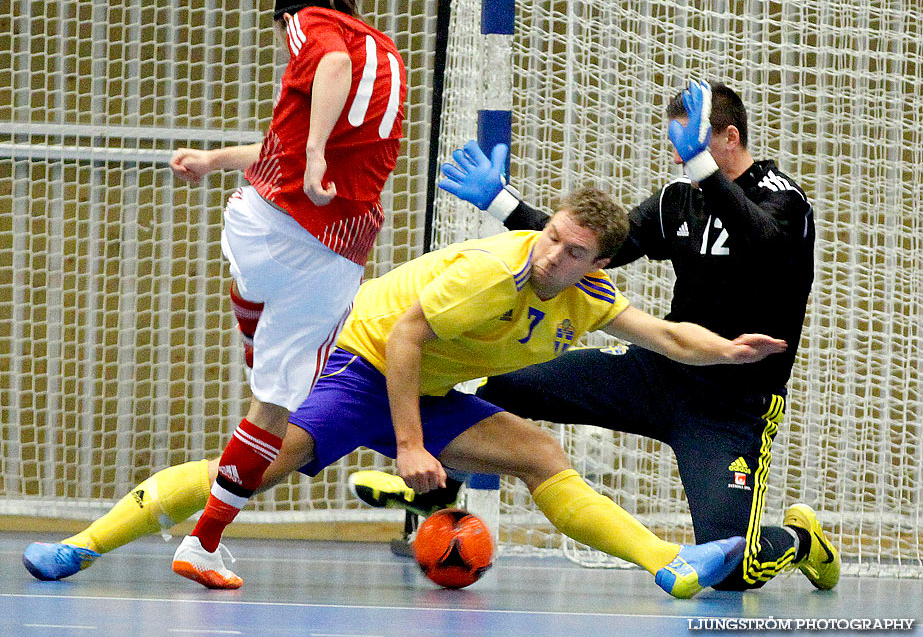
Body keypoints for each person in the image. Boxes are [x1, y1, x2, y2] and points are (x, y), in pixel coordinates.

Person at [23, 184, 788, 599]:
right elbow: (403, 339)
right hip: (362, 361)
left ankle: (669, 564)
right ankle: (79, 547)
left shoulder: (584, 296)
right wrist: (413, 446)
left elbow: (669, 336)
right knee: (257, 467)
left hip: (426, 386)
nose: (552, 252)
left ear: (599, 262)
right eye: (552, 235)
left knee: (540, 454)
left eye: (572, 249)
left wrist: (728, 349)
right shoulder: (496, 273)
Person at [351, 81, 840, 593]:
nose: (679, 158)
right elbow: (592, 249)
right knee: (504, 385)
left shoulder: (783, 200)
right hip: (652, 375)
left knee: (735, 571)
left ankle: (804, 541)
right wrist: (502, 203)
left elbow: (759, 243)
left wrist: (704, 169)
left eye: (690, 147)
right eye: (678, 146)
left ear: (730, 137)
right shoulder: (678, 201)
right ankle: (435, 492)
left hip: (731, 405)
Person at [58, 0, 406, 589]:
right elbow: (291, 143)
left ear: (282, 19)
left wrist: (317, 154)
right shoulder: (385, 52)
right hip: (338, 250)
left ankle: (254, 339)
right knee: (275, 405)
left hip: (269, 223)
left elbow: (325, 70)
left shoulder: (310, 21)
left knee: (252, 276)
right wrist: (219, 158)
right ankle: (204, 542)